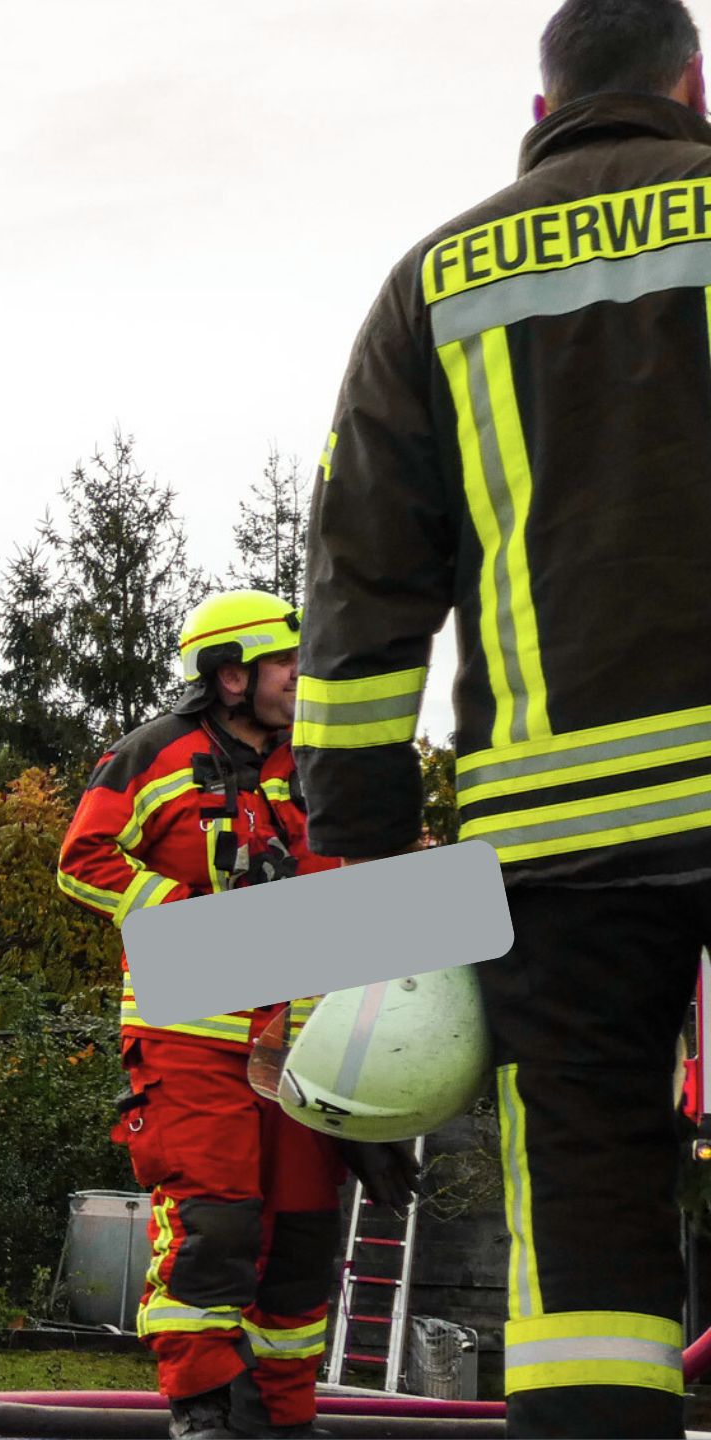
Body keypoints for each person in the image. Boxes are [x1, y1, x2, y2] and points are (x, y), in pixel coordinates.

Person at [296, 2, 711, 1431]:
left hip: (562, 851)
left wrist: (365, 852)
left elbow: (361, 593)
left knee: (584, 1224)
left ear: (538, 113)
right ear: (693, 85)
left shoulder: (434, 283)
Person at [58, 590, 412, 1439]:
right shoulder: (153, 755)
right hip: (188, 1033)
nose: (303, 675)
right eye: (286, 662)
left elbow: (364, 878)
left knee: (301, 1240)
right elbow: (81, 859)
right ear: (230, 676)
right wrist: (186, 915)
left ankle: (286, 1420)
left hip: (301, 1043)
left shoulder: (319, 760)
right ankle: (203, 1412)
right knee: (215, 1224)